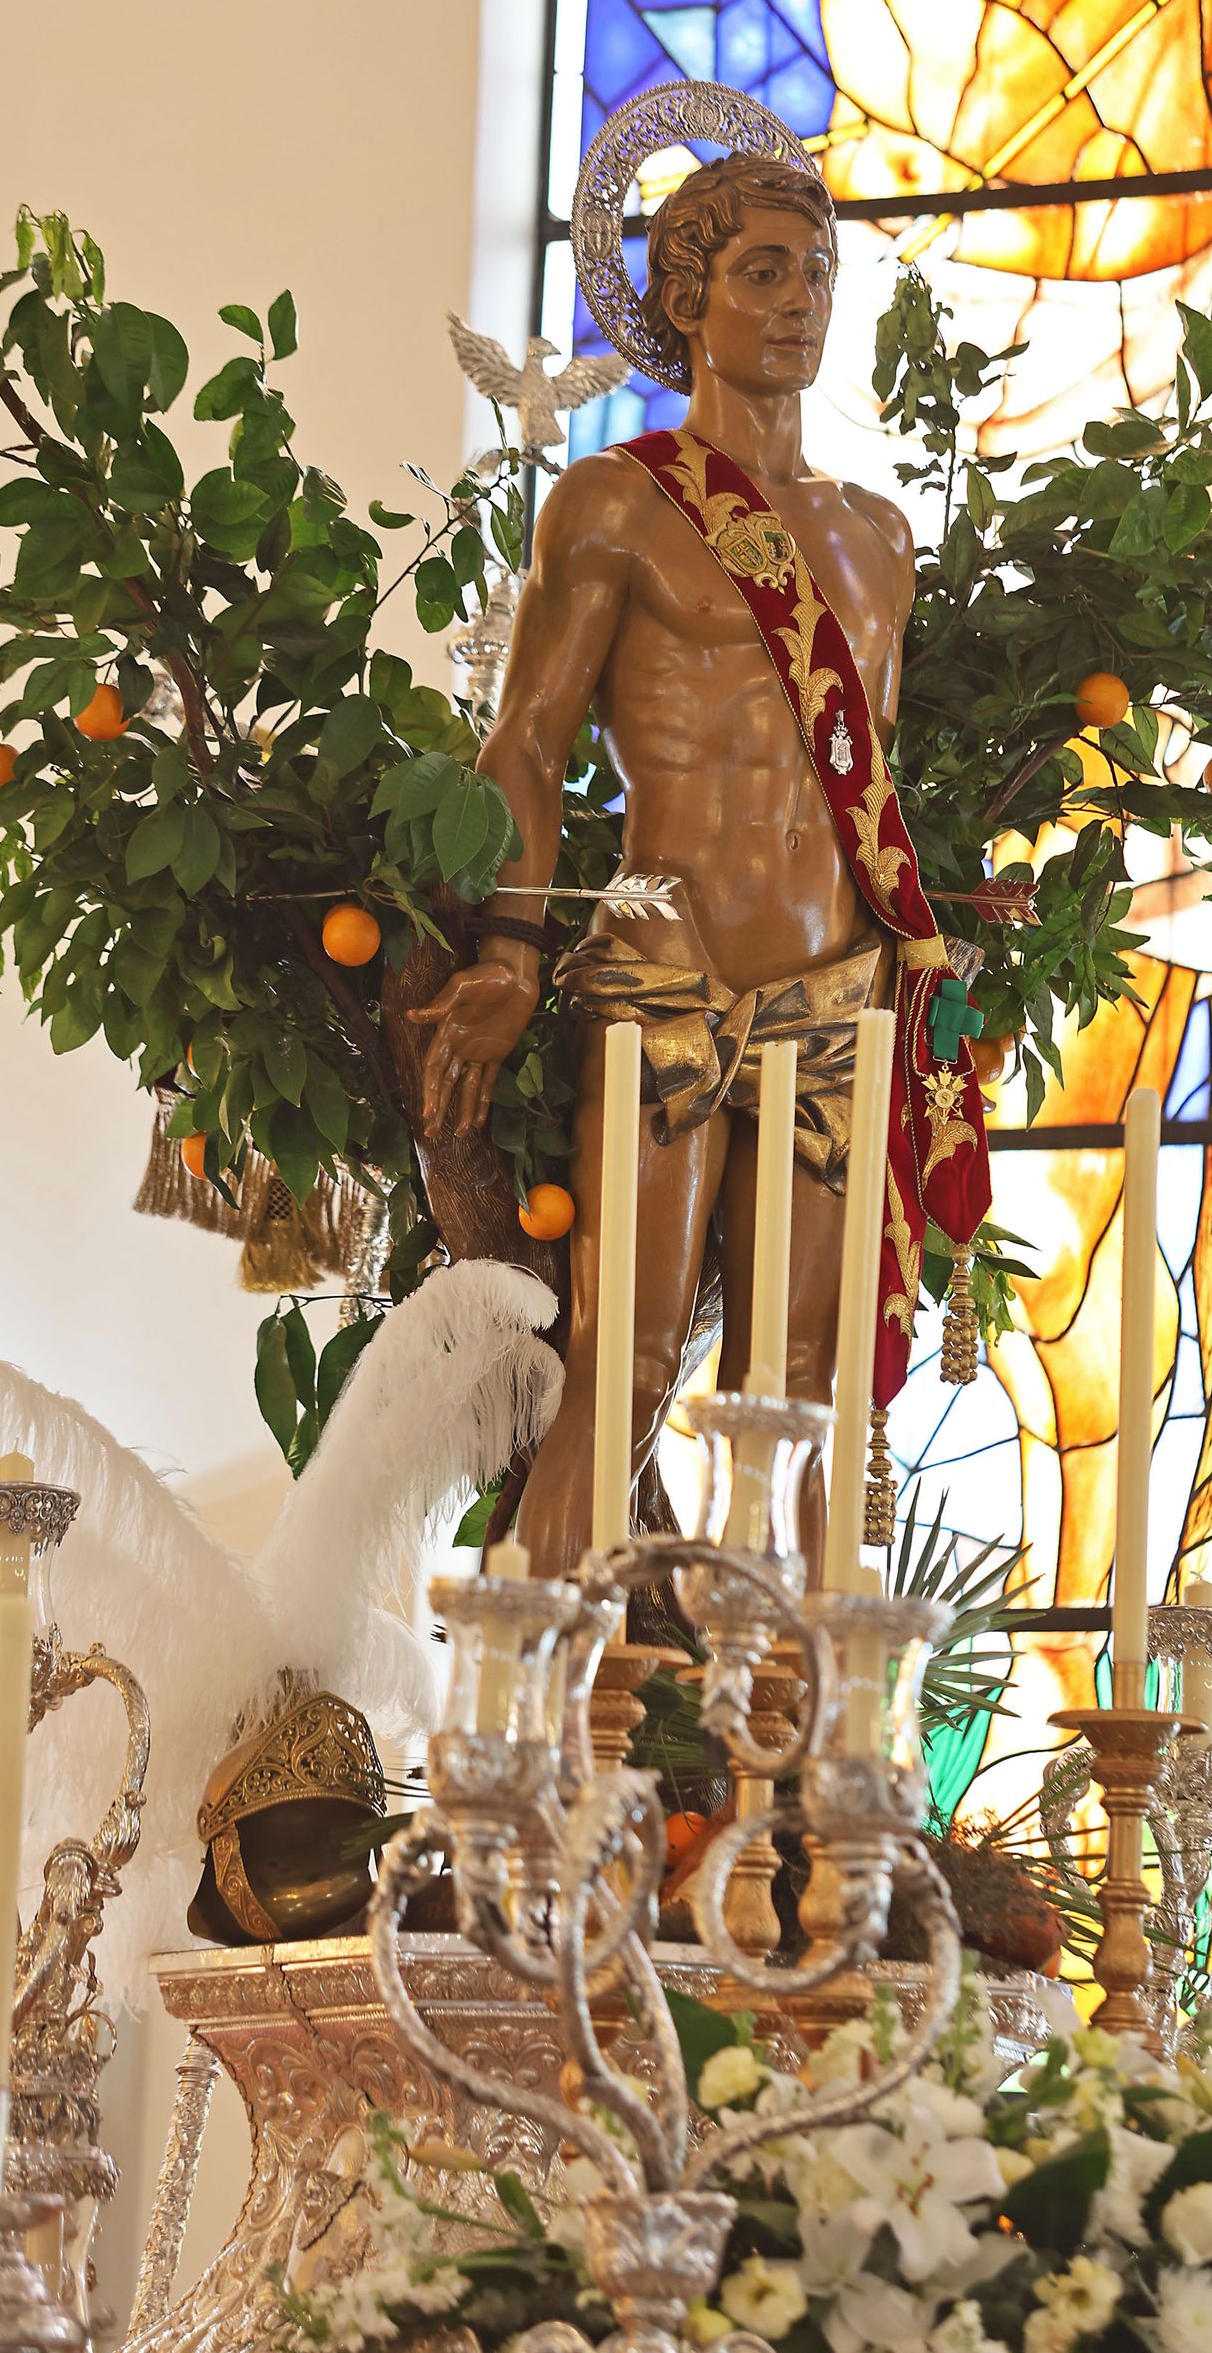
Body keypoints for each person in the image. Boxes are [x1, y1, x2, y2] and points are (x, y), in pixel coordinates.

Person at [411, 154, 927, 1577]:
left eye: (818, 271)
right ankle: (549, 1751)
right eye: (764, 271)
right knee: (622, 1367)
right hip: (668, 966)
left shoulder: (880, 541)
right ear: (689, 297)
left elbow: (867, 789)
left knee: (808, 1396)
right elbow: (524, 742)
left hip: (836, 992)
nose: (800, 301)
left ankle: (823, 1764)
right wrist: (512, 951)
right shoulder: (617, 504)